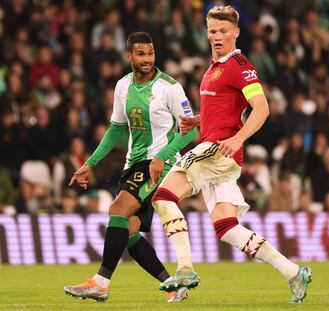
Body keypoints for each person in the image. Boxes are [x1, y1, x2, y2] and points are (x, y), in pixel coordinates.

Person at [151, 6, 312, 304]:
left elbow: (261, 108)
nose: (217, 36)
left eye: (224, 31)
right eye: (212, 31)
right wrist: (198, 120)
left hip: (219, 149)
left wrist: (238, 138)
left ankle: (185, 269)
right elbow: (225, 108)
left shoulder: (240, 66)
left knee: (162, 197)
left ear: (236, 32)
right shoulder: (214, 68)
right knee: (226, 228)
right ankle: (293, 272)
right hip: (219, 151)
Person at [63, 32, 197, 302]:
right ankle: (174, 286)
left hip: (159, 163)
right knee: (130, 229)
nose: (147, 59)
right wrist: (90, 163)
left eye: (150, 53)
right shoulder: (123, 86)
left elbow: (190, 132)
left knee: (117, 210)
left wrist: (163, 156)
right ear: (128, 56)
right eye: (140, 54)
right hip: (134, 163)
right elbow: (116, 129)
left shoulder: (169, 87)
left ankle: (100, 283)